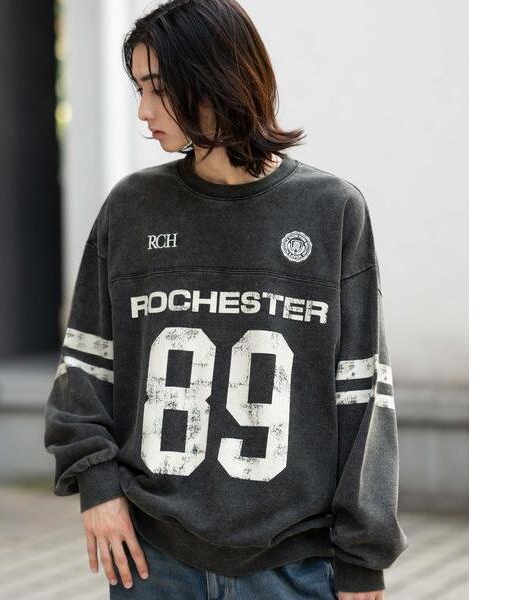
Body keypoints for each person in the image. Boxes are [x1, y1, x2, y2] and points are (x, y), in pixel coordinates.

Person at [43, 1, 409, 599]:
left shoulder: (332, 210)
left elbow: (362, 396)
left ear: (216, 78)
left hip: (294, 565)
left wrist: (363, 557)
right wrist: (98, 488)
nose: (143, 111)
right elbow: (86, 368)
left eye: (158, 89)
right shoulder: (132, 208)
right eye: (139, 89)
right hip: (151, 558)